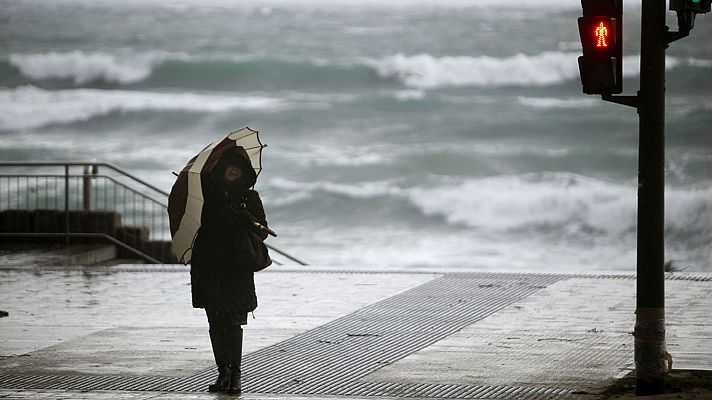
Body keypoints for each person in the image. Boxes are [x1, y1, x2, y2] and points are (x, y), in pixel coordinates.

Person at [190, 146, 269, 394]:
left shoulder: (250, 198)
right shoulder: (208, 195)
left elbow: (262, 231)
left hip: (236, 269)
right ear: (222, 168)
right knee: (215, 321)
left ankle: (235, 374)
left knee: (233, 322)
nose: (233, 170)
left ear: (245, 171)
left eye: (239, 166)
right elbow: (200, 227)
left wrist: (246, 218)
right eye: (229, 165)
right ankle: (222, 372)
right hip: (209, 266)